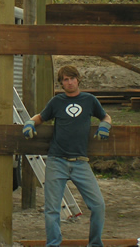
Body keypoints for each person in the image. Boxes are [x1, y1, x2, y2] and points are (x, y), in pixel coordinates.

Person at [22, 65, 112, 247]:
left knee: (98, 205)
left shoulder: (89, 100)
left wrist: (105, 126)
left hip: (80, 162)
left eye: (72, 78)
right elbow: (42, 116)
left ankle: (95, 244)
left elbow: (105, 116)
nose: (69, 82)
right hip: (57, 161)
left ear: (78, 79)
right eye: (65, 79)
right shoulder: (57, 102)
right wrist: (30, 122)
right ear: (61, 83)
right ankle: (53, 244)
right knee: (52, 209)